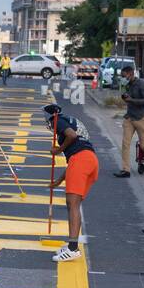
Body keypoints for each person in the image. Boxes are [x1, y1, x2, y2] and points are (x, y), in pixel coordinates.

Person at [42, 103, 98, 263]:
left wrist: (58, 150)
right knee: (75, 204)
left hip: (81, 160)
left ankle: (73, 249)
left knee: (72, 205)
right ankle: (72, 246)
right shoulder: (70, 119)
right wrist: (59, 181)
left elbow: (71, 136)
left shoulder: (57, 120)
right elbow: (74, 159)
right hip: (89, 160)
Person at [115, 66, 144, 178]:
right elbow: (129, 97)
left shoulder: (142, 84)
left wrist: (131, 100)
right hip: (129, 117)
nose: (123, 77)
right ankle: (126, 170)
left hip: (141, 118)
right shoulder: (128, 84)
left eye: (124, 75)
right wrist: (125, 98)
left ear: (130, 73)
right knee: (125, 144)